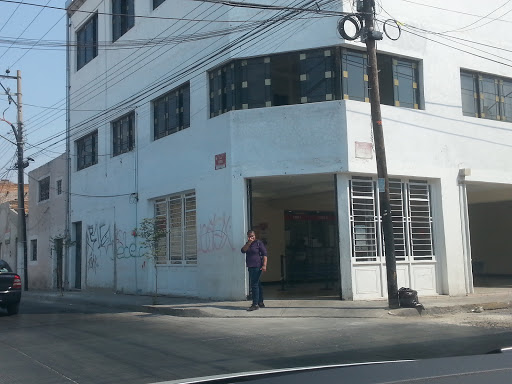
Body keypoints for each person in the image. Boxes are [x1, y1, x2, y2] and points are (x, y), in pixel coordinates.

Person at [241, 230, 267, 311]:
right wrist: (249, 243)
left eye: (252, 236)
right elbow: (243, 251)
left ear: (255, 236)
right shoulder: (247, 244)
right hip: (250, 266)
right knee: (258, 284)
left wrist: (264, 265)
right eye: (249, 236)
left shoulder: (259, 243)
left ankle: (255, 304)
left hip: (257, 266)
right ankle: (260, 302)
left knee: (254, 284)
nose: (251, 237)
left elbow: (264, 254)